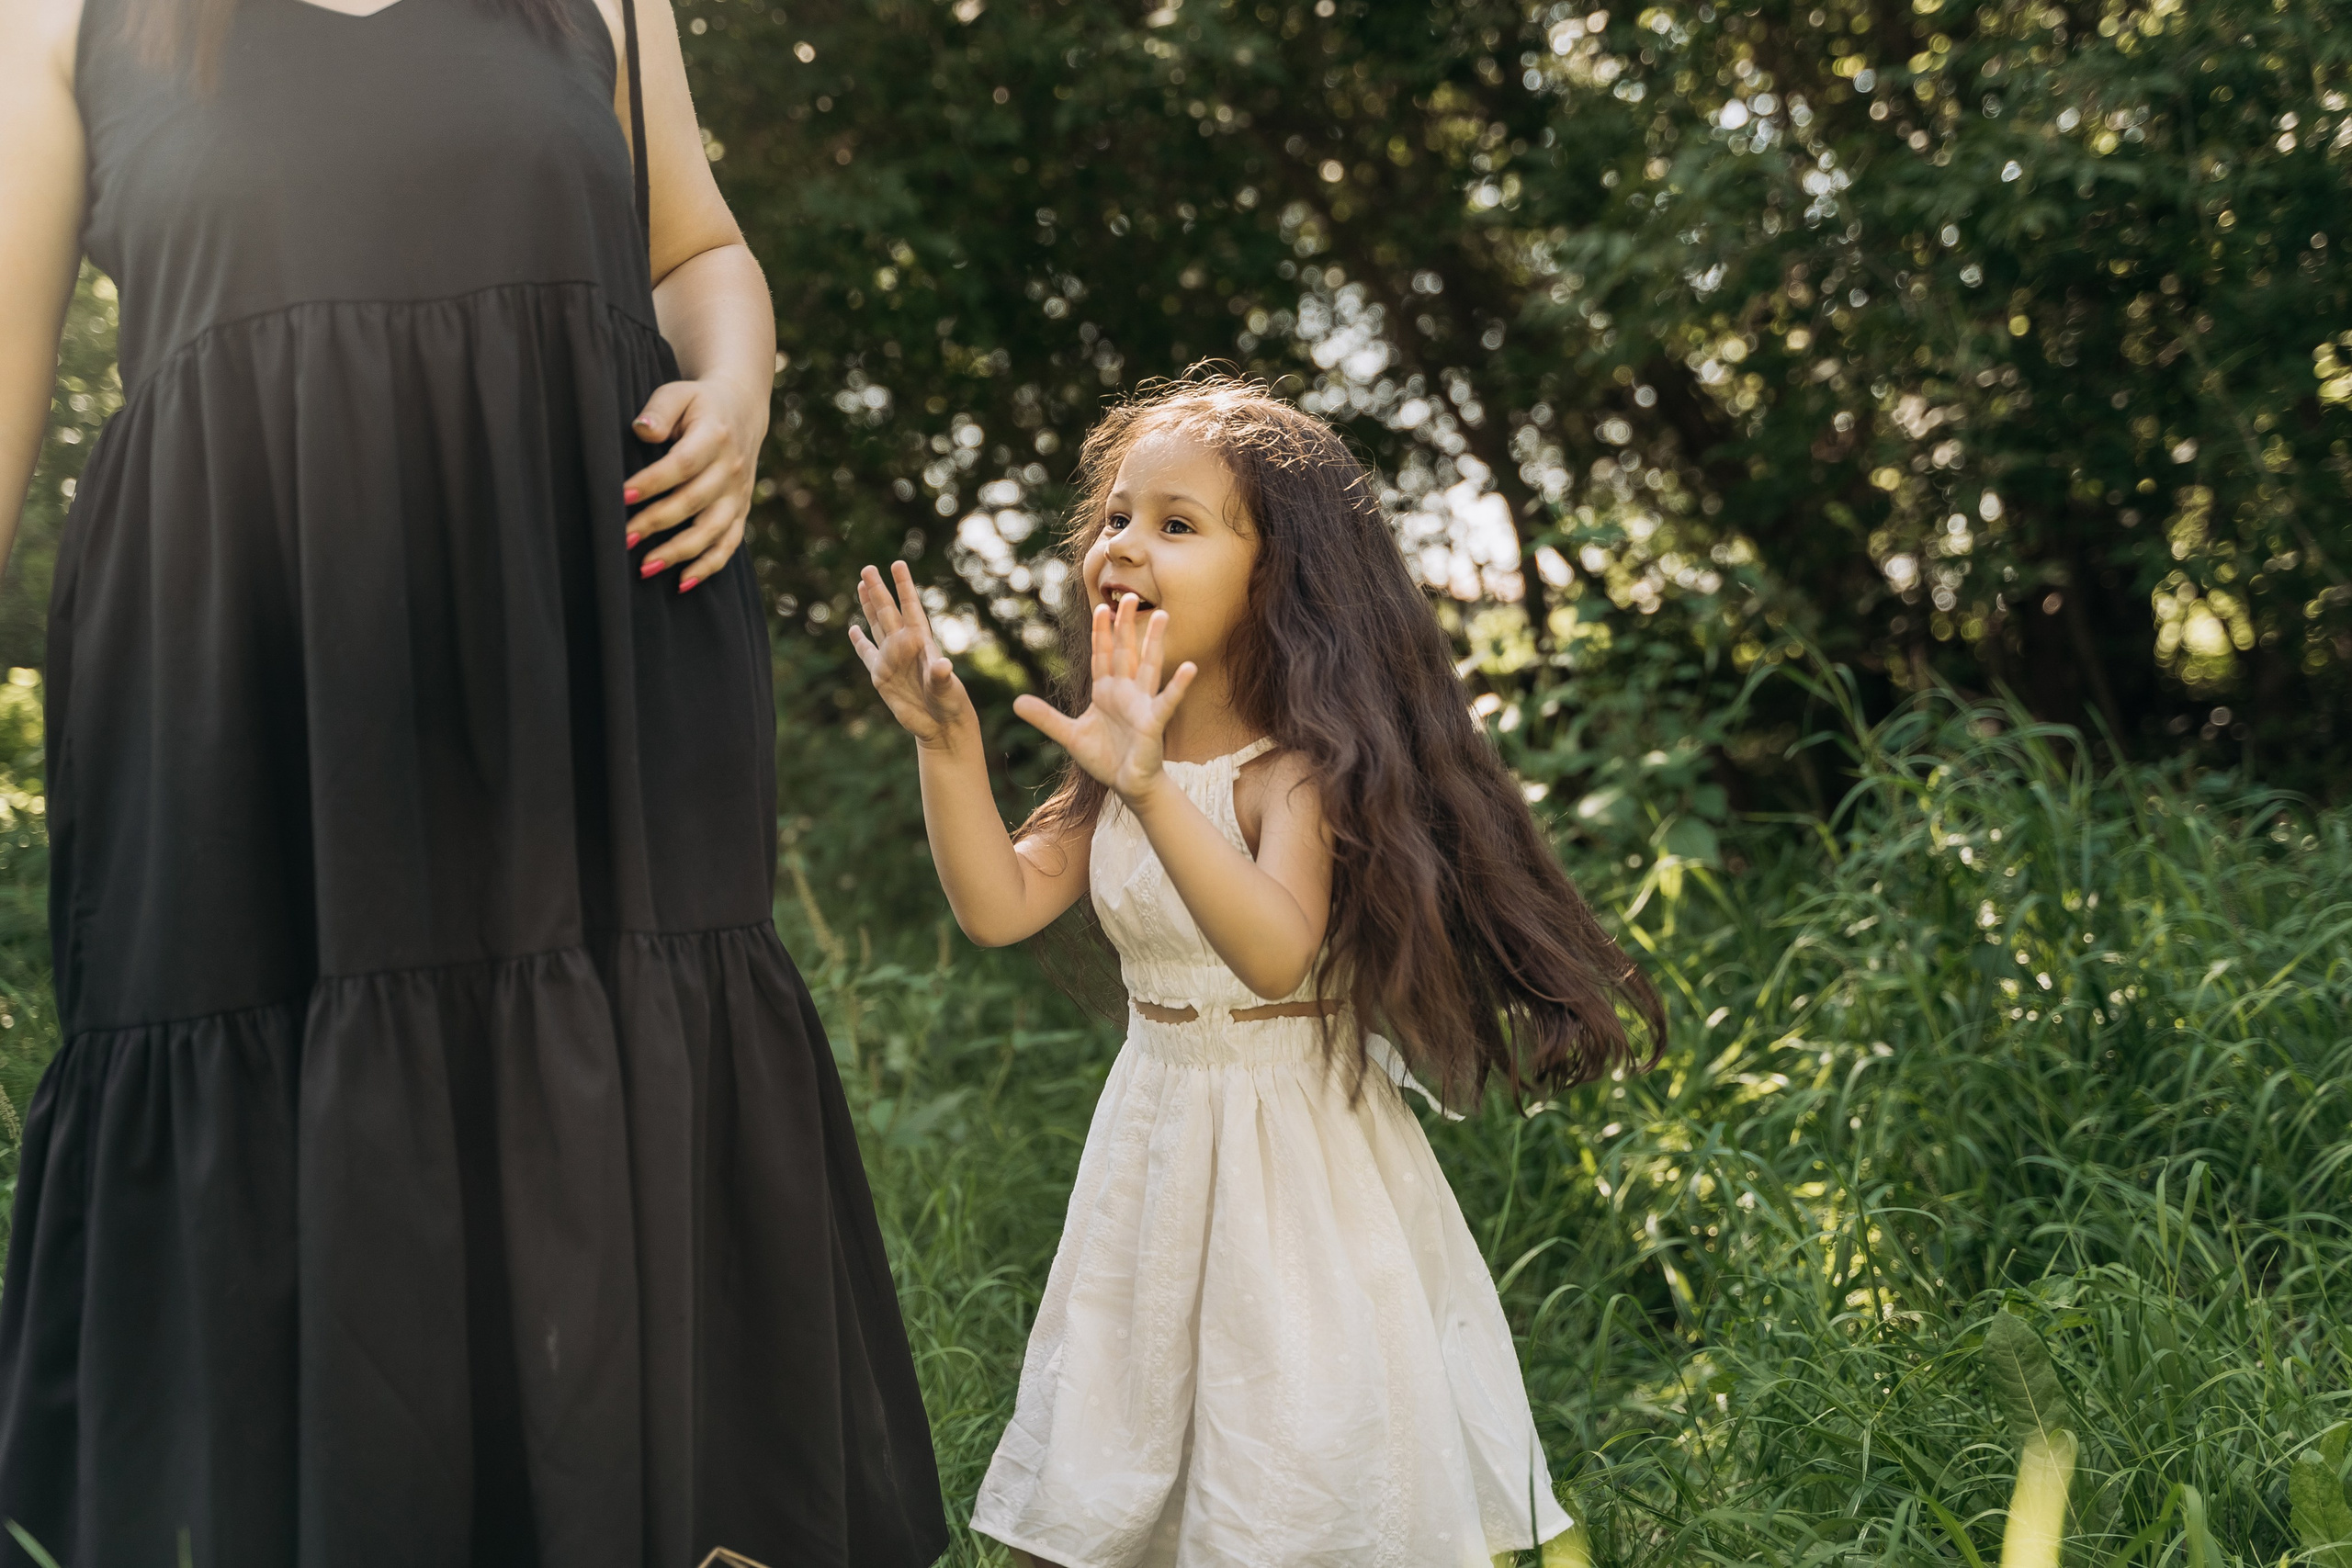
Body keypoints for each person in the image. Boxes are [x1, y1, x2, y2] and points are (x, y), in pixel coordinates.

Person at [0, 0, 946, 1559]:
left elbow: (698, 250)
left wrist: (736, 391)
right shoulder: (71, 22)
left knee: (587, 1067)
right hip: (244, 678)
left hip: (588, 628)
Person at [849, 376, 1665, 1567]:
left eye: (1178, 525)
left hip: (1295, 1161)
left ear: (1272, 574)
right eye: (1118, 516)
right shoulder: (1123, 748)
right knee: (1131, 1419)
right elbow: (999, 903)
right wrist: (949, 745)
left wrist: (1144, 789)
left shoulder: (1297, 772)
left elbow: (1275, 952)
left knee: (1293, 1439)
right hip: (1157, 1132)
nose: (1125, 545)